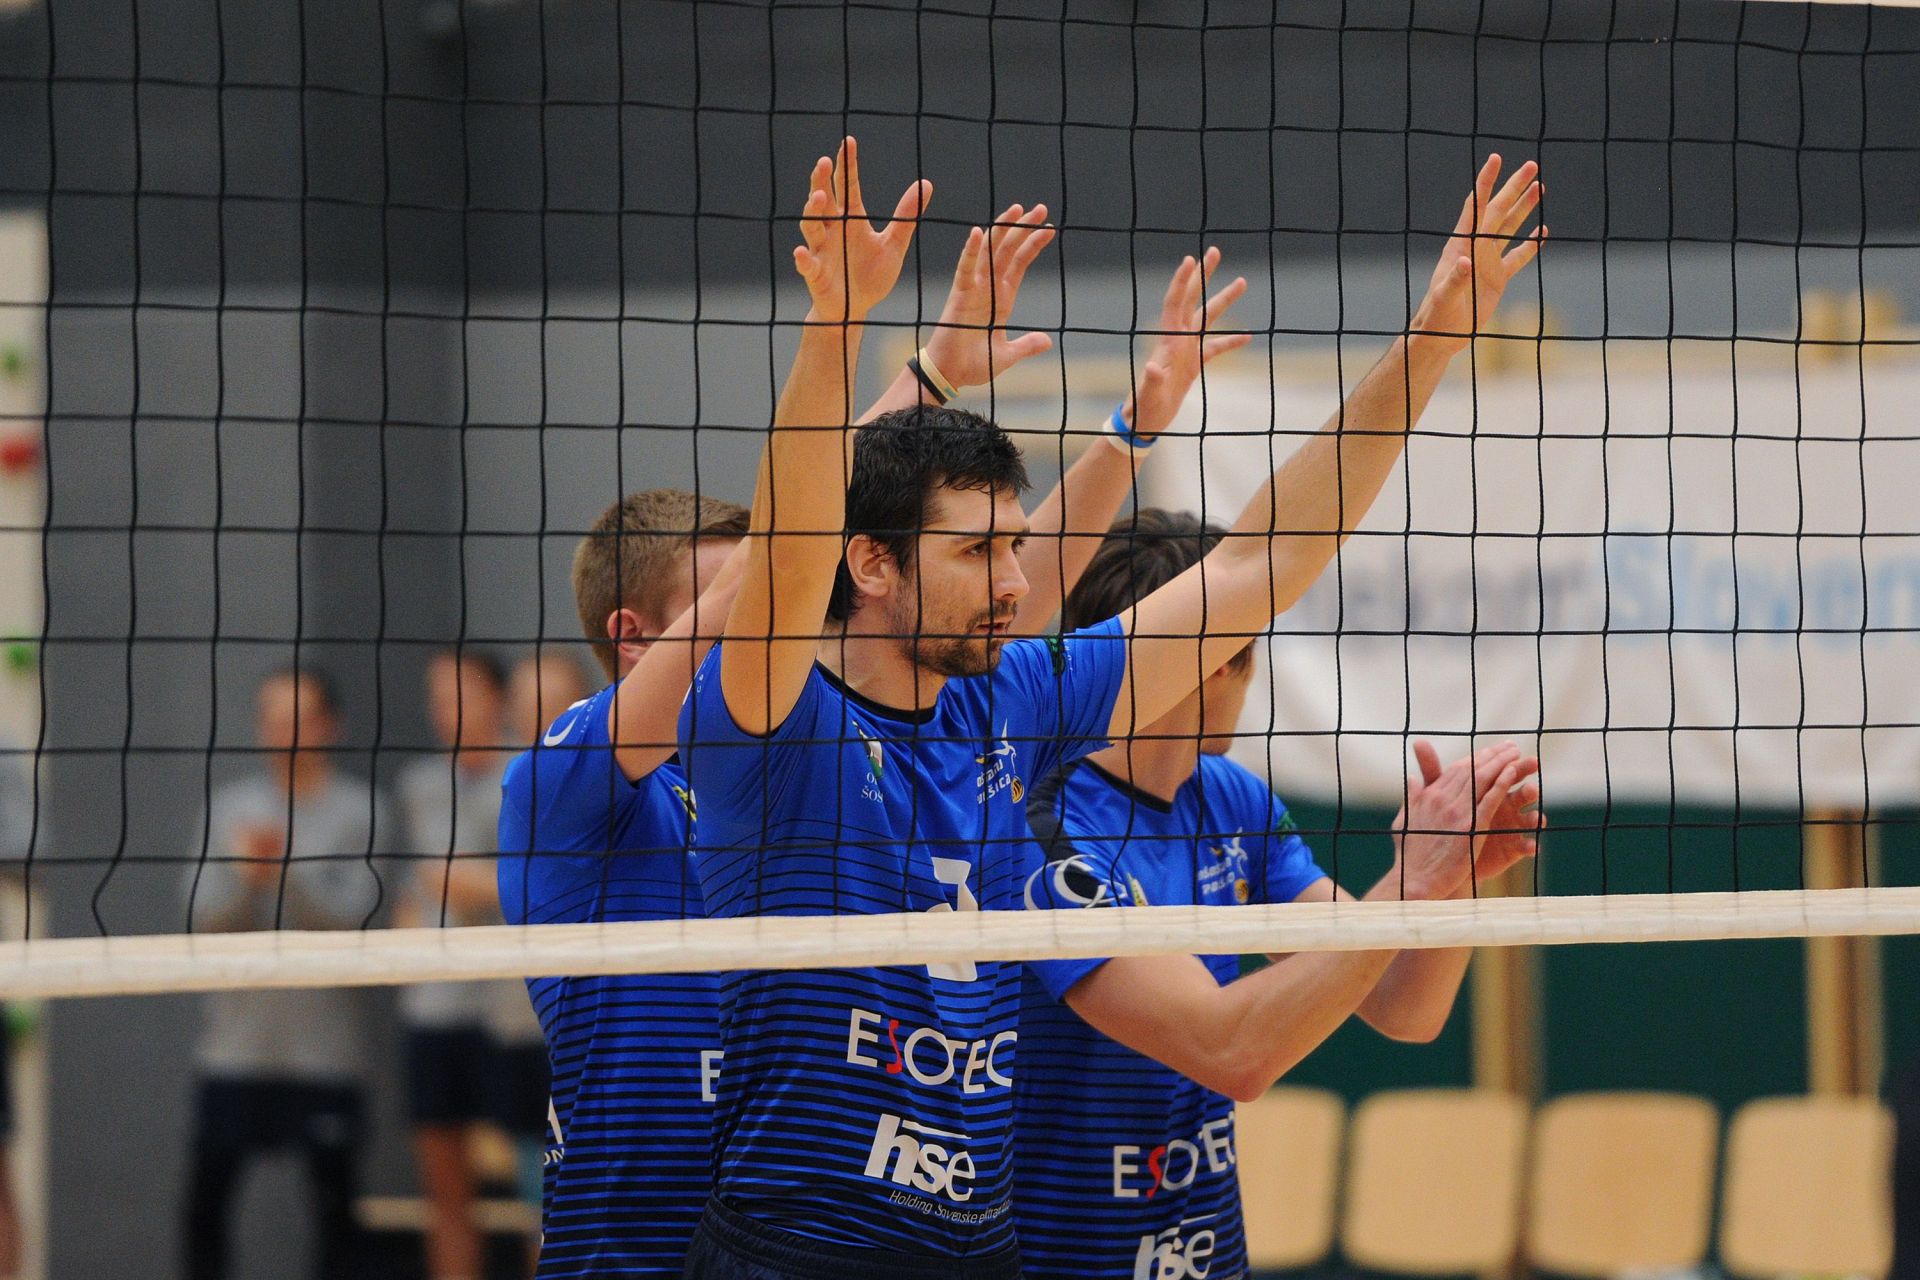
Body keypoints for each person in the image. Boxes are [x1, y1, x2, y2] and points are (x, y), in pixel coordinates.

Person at [678, 136, 1543, 1278]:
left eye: (1013, 545)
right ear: (872, 564)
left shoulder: (1012, 701)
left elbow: (1265, 559)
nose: (1013, 579)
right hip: (801, 1254)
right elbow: (792, 547)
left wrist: (1434, 337)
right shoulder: (773, 715)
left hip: (979, 1252)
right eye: (977, 550)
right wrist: (837, 327)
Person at [497, 188, 1203, 1278]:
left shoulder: (808, 754)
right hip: (631, 1256)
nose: (778, 607)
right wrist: (894, 359)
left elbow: (1008, 589)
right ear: (636, 637)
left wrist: (1107, 430)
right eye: (732, 599)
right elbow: (784, 546)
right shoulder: (571, 784)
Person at [1014, 510, 1544, 1279]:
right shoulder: (1041, 824)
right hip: (1062, 1258)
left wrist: (1450, 877)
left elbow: (1403, 1003)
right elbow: (1231, 1051)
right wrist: (1410, 881)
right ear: (1214, 662)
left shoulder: (1232, 800)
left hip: (1205, 1257)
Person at [181, 666, 388, 1280]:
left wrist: (287, 871)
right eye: (271, 717)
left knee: (336, 1218)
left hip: (325, 1052)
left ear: (329, 725)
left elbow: (358, 921)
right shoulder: (228, 808)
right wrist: (247, 881)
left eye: (297, 717)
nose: (283, 730)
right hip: (235, 1048)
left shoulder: (360, 810)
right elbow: (200, 921)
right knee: (205, 1210)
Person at [394, 647, 521, 1280]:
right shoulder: (418, 785)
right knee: (446, 1195)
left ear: (498, 698)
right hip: (435, 1008)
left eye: (462, 694)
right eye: (439, 697)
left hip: (514, 1014)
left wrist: (481, 886)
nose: (448, 709)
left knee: (541, 1191)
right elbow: (414, 886)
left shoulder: (530, 772)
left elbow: (555, 882)